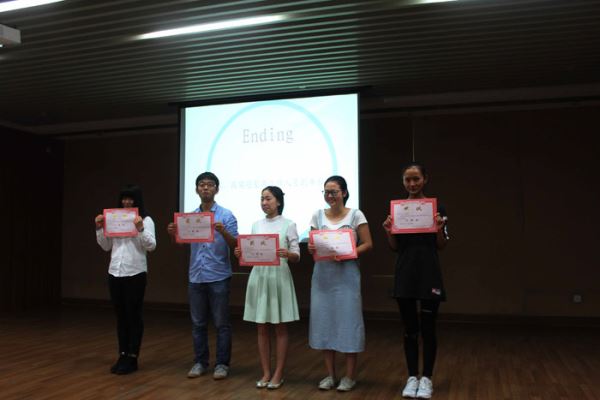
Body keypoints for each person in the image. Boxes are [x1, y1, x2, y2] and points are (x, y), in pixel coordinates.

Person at [382, 162, 449, 399]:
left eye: (416, 179)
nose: (412, 184)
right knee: (410, 329)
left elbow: (441, 244)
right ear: (403, 182)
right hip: (405, 274)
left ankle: (427, 378)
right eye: (407, 180)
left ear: (425, 179)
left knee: (428, 329)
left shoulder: (436, 208)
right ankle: (412, 377)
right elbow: (394, 247)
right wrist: (388, 231)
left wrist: (439, 228)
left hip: (429, 273)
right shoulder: (398, 209)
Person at [167, 172, 238, 380]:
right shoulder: (190, 217)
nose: (205, 188)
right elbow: (180, 243)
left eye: (210, 185)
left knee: (221, 324)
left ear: (217, 189)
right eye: (201, 185)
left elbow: (236, 245)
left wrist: (223, 232)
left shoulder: (226, 215)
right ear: (196, 189)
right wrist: (173, 234)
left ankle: (222, 364)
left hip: (218, 276)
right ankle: (200, 362)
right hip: (196, 276)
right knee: (198, 324)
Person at [307, 175, 373, 392]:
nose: (330, 196)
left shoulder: (356, 214)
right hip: (323, 278)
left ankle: (350, 376)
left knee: (348, 323)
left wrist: (349, 253)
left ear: (344, 192)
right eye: (326, 192)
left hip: (347, 277)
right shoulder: (317, 215)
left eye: (334, 192)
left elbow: (368, 244)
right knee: (324, 322)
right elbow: (313, 246)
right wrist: (311, 248)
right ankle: (330, 375)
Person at [234, 186, 300, 390]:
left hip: (279, 276)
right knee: (261, 326)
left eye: (268, 198)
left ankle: (278, 373)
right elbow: (252, 252)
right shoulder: (256, 225)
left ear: (278, 201)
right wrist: (241, 253)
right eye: (262, 199)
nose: (264, 202)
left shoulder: (289, 224)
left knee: (280, 326)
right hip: (260, 276)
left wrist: (287, 254)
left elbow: (297, 255)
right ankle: (266, 372)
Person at [94, 184, 156, 375]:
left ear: (137, 200)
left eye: (130, 199)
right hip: (115, 271)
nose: (127, 202)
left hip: (135, 272)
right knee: (121, 316)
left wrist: (140, 228)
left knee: (133, 315)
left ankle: (133, 356)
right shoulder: (114, 218)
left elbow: (151, 246)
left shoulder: (146, 220)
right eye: (124, 199)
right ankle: (122, 354)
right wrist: (99, 228)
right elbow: (106, 246)